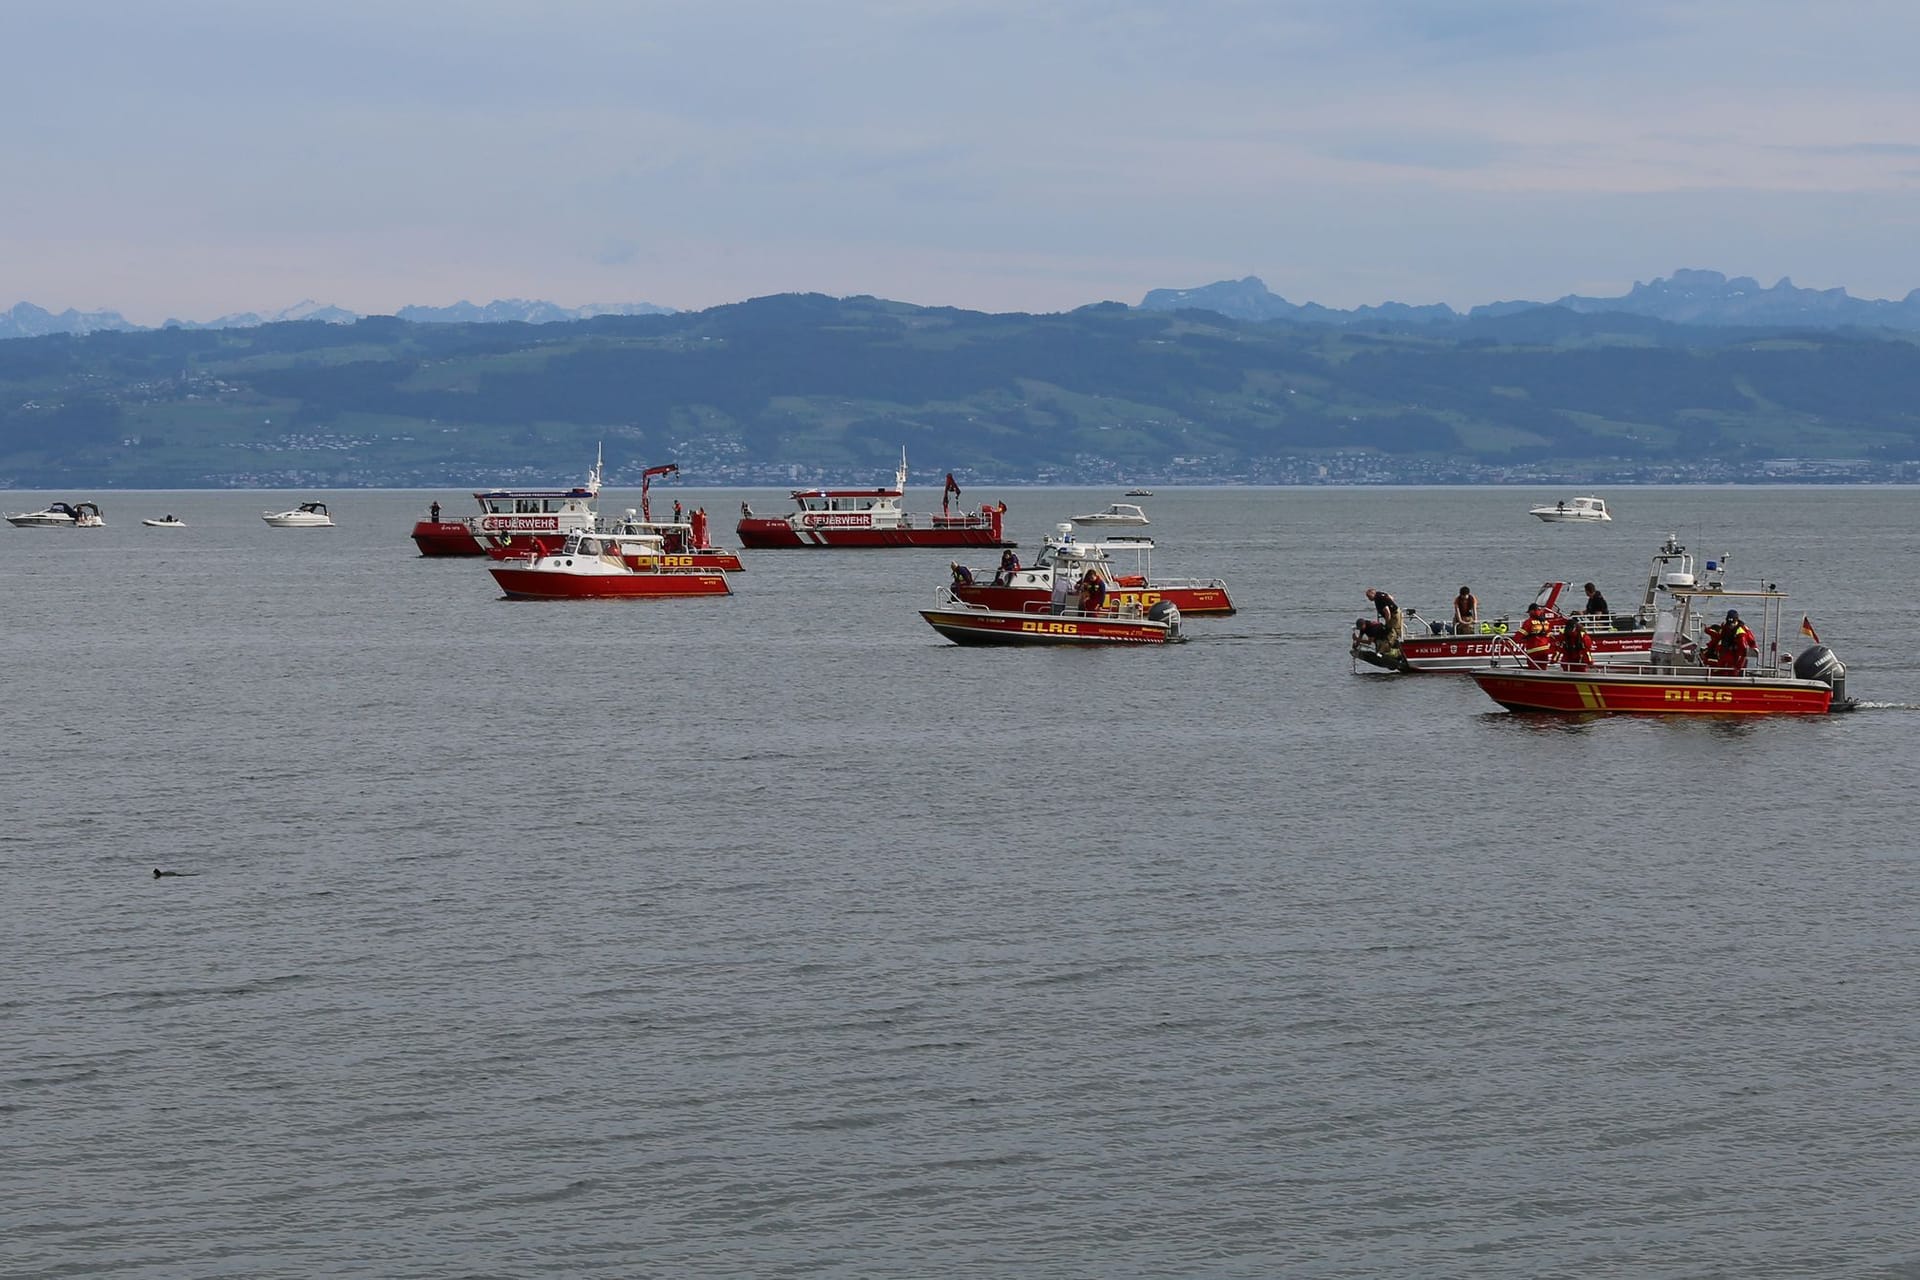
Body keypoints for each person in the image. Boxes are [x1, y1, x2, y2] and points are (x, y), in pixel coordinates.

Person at [1703, 608, 1758, 673]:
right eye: (1729, 623)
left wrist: (1738, 667)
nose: (1730, 625)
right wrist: (1707, 630)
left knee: (1730, 670)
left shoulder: (1741, 634)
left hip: (1736, 656)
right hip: (1726, 654)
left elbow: (1743, 651)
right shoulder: (1725, 627)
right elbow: (1719, 635)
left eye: (1732, 623)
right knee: (1721, 667)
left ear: (1736, 621)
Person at [1518, 603, 1557, 668]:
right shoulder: (1546, 622)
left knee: (1533, 670)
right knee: (1543, 669)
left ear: (1532, 611)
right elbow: (1549, 637)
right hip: (1545, 650)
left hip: (1533, 650)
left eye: (1529, 612)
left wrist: (1511, 641)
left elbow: (1519, 636)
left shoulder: (1529, 622)